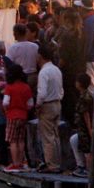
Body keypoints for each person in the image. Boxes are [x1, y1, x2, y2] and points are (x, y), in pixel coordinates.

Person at [36, 43, 64, 173]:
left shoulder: (43, 72)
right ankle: (58, 162)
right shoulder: (56, 70)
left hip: (47, 105)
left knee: (47, 137)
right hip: (57, 103)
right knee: (55, 134)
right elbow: (61, 89)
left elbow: (41, 93)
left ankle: (51, 164)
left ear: (40, 56)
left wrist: (38, 106)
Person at [2, 63, 33, 172]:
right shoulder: (26, 87)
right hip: (23, 115)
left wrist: (6, 111)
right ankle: (20, 162)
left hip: (12, 115)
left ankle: (15, 164)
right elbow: (30, 104)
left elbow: (5, 103)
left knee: (13, 140)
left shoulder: (9, 87)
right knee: (21, 140)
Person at [58, 8, 85, 122]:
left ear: (67, 20)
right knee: (78, 95)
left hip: (68, 70)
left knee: (69, 97)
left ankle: (71, 120)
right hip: (80, 68)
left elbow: (64, 57)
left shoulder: (68, 36)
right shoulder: (82, 33)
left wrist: (58, 67)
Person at [69, 73, 94, 177]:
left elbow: (86, 115)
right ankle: (81, 166)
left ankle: (89, 171)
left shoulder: (85, 97)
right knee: (74, 140)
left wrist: (89, 129)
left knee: (87, 149)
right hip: (81, 128)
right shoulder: (85, 95)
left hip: (84, 128)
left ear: (79, 83)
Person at [7, 23, 39, 94]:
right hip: (33, 77)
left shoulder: (13, 48)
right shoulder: (35, 46)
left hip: (19, 78)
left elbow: (8, 63)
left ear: (16, 33)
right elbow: (38, 61)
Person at [75, 0, 94, 84]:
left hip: (90, 57)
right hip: (93, 55)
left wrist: (84, 56)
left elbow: (88, 41)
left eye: (79, 7)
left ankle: (92, 97)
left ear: (82, 9)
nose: (77, 9)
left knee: (91, 81)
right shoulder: (92, 18)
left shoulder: (89, 21)